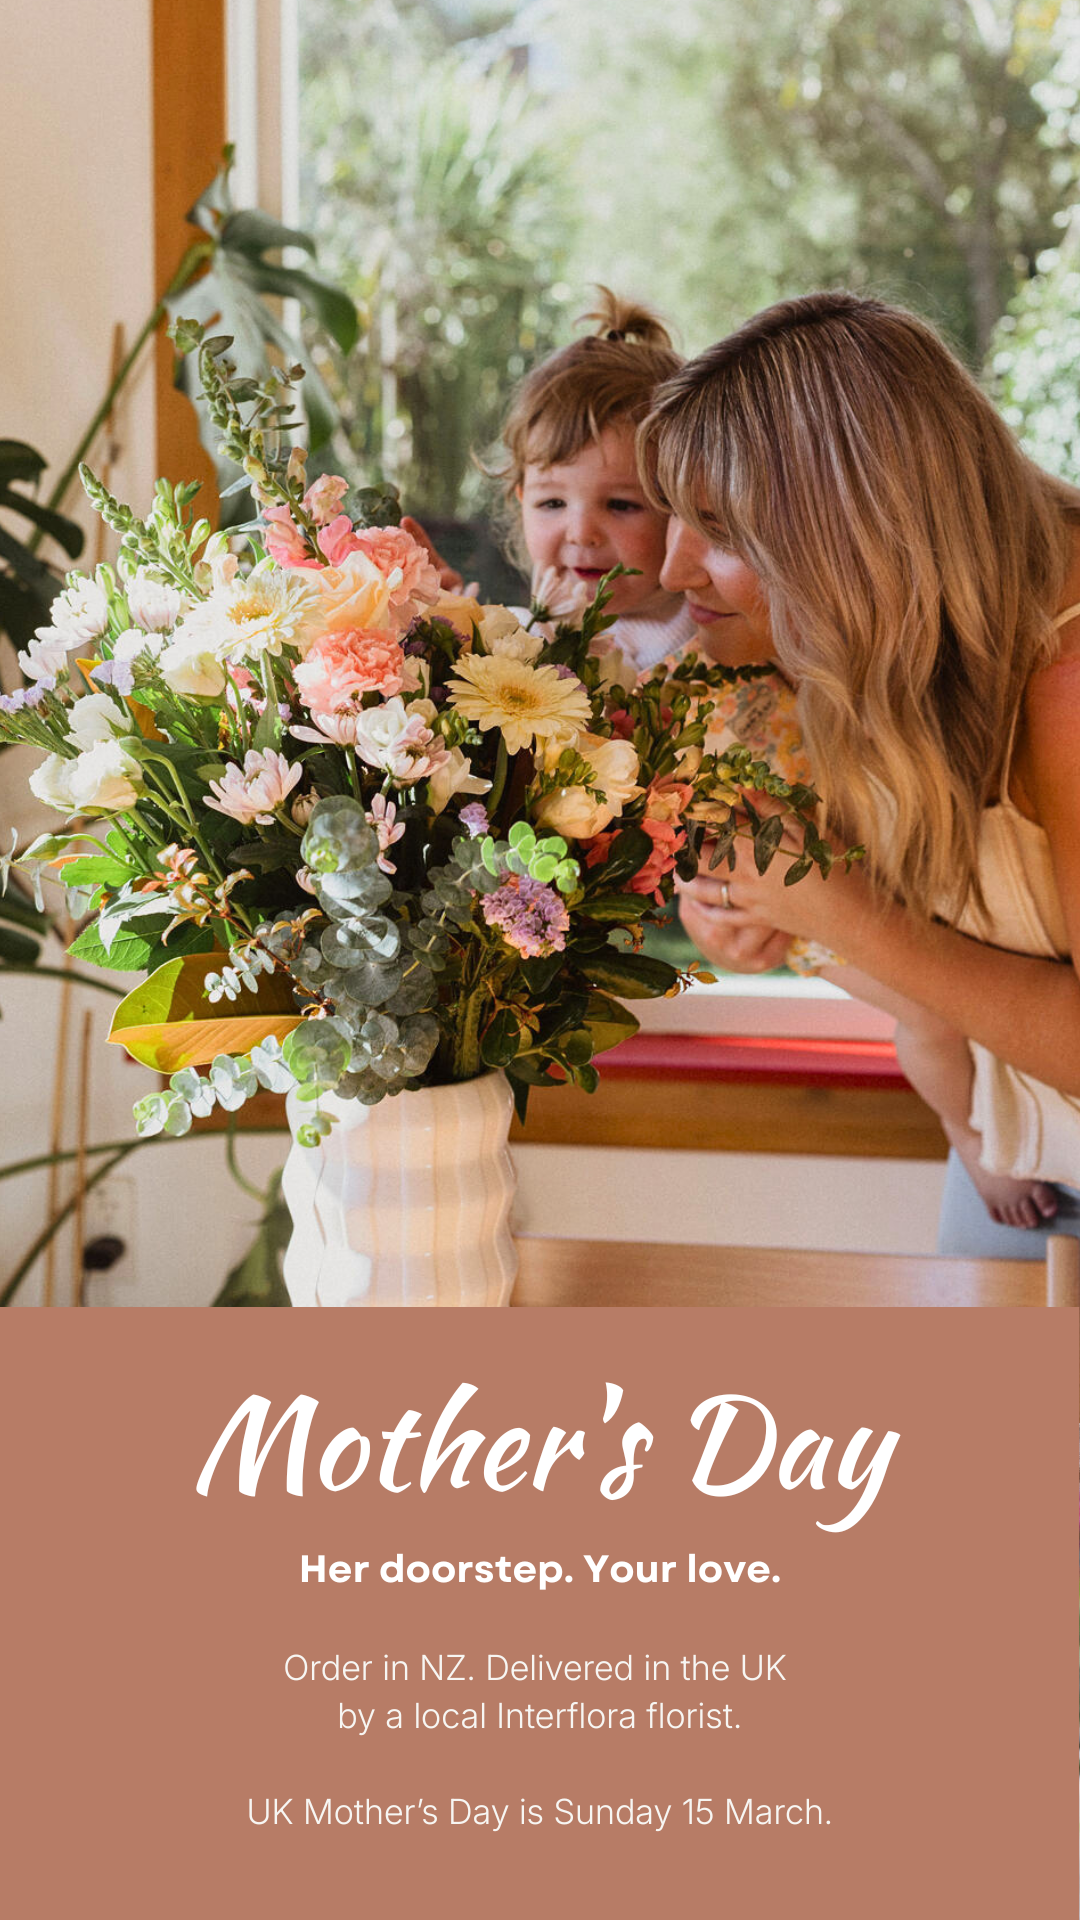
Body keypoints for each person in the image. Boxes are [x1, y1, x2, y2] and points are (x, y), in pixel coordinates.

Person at [637, 289, 1080, 1256]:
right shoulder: (869, 650)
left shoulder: (1069, 684)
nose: (672, 570)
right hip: (1024, 1143)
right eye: (672, 517)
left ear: (856, 536)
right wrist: (758, 915)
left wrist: (848, 918)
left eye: (718, 529)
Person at [488, 289, 698, 670]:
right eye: (552, 503)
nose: (582, 533)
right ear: (521, 501)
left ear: (680, 510)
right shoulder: (523, 634)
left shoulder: (709, 629)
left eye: (620, 505)